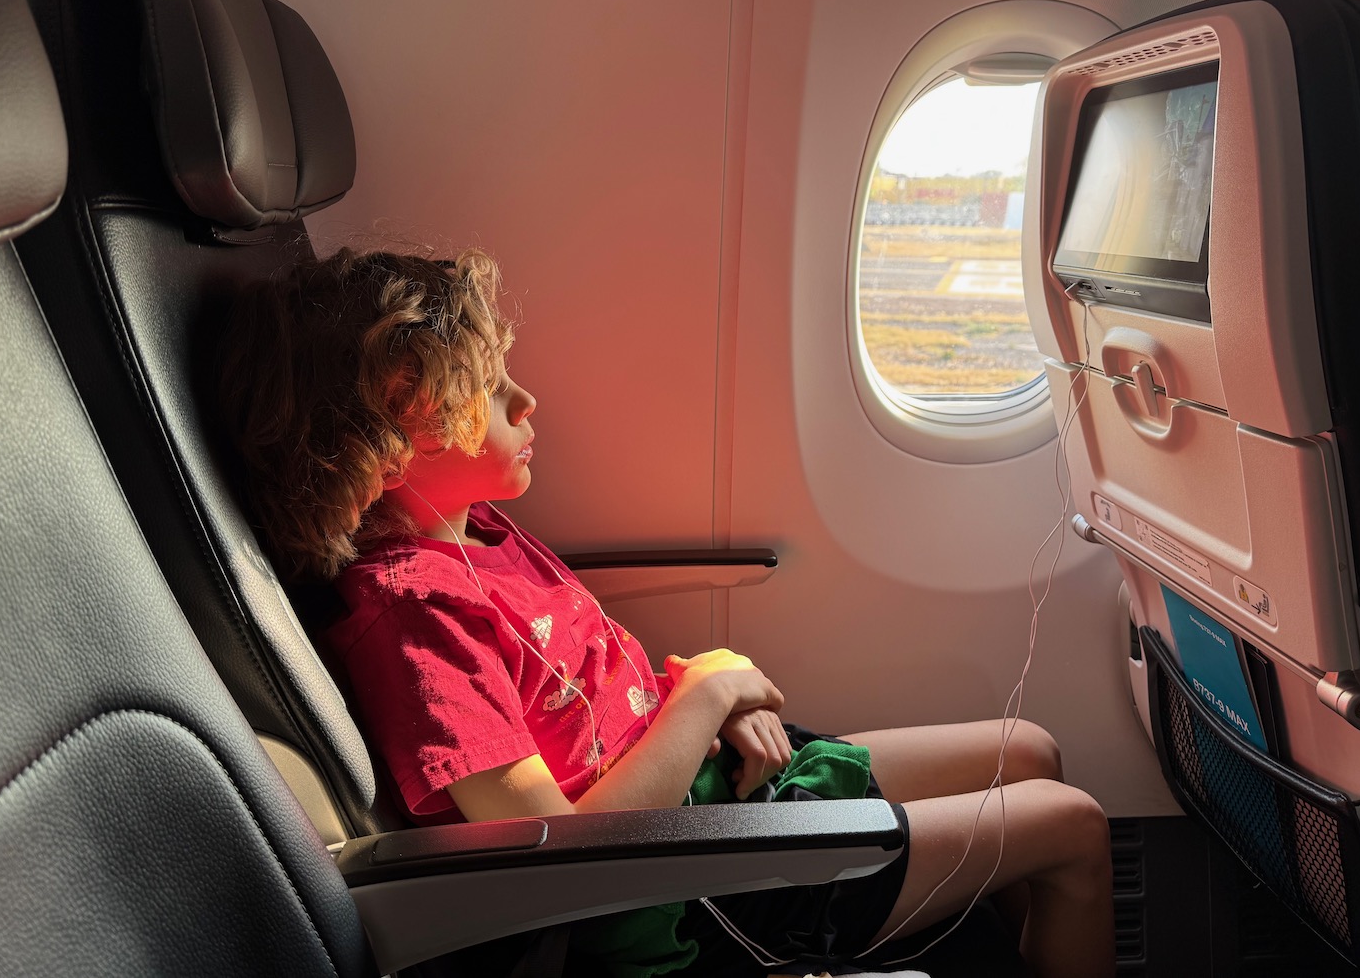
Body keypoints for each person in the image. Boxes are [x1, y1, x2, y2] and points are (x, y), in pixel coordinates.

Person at [219, 247, 1114, 978]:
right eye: (495, 390)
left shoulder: (477, 533)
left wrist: (708, 689)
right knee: (1071, 826)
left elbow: (599, 689)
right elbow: (563, 849)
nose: (528, 403)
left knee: (1027, 749)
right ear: (403, 426)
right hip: (696, 881)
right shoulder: (413, 621)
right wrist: (709, 697)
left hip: (719, 791)